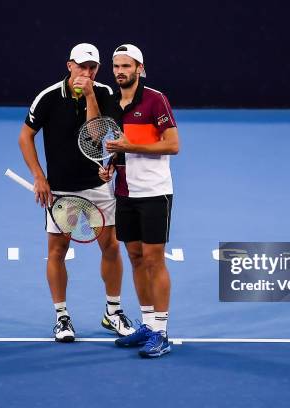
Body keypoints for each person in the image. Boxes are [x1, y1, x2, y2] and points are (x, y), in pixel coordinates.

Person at [18, 43, 134, 342]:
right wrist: (39, 177)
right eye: (81, 66)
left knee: (111, 247)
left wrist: (91, 94)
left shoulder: (106, 93)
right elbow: (25, 136)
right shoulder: (48, 97)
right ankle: (62, 318)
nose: (86, 72)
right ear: (69, 65)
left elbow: (95, 135)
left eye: (92, 68)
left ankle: (113, 312)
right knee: (57, 252)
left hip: (97, 187)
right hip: (60, 189)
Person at [101, 44, 179, 358]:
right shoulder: (111, 102)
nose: (120, 72)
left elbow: (173, 145)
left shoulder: (155, 99)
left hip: (154, 192)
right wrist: (110, 163)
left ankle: (161, 332)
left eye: (126, 66)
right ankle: (146, 325)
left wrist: (131, 146)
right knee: (134, 257)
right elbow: (117, 147)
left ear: (139, 68)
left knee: (153, 259)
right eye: (116, 66)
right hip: (124, 192)